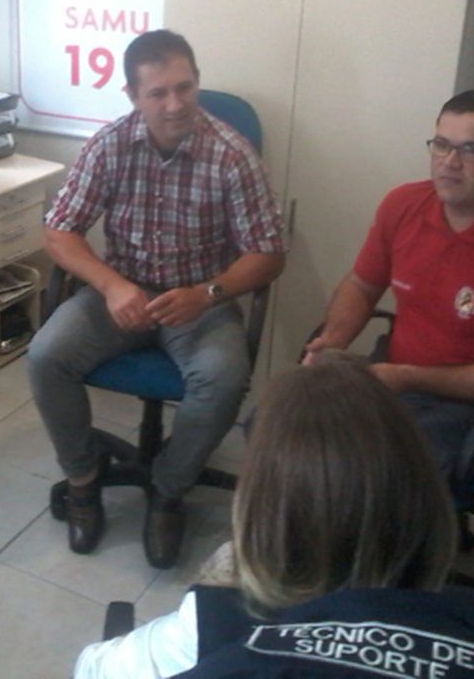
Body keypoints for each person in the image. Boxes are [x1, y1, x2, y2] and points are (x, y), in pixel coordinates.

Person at [74, 354, 474, 678]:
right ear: (423, 505)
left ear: (261, 514)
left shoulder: (210, 628)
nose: (451, 160)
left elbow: (92, 670)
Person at [27, 29, 286, 569]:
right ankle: (83, 480)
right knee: (46, 356)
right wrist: (111, 285)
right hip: (120, 291)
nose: (175, 105)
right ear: (132, 97)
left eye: (185, 88)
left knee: (222, 379)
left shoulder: (231, 156)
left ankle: (168, 490)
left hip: (199, 299)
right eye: (158, 93)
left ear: (197, 82)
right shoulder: (109, 145)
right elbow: (59, 232)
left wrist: (208, 293)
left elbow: (268, 254)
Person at [303, 90, 474, 483]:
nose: (449, 162)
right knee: (280, 424)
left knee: (366, 470)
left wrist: (411, 377)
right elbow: (361, 286)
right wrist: (333, 341)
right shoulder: (402, 204)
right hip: (396, 379)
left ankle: (371, 542)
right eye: (442, 145)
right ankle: (293, 541)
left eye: (471, 149)